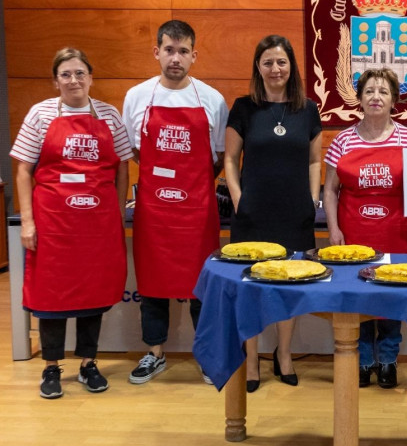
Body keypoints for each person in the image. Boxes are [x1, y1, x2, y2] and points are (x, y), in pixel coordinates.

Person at [11, 47, 132, 398]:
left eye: (80, 73)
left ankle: (88, 363)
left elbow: (122, 166)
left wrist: (118, 207)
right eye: (66, 74)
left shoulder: (109, 115)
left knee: (92, 293)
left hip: (96, 224)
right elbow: (23, 170)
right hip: (53, 223)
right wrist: (29, 222)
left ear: (91, 77)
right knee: (51, 295)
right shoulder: (40, 114)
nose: (74, 80)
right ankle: (51, 367)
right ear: (56, 80)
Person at [122, 20, 228, 384]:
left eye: (183, 51)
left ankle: (205, 352)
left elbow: (218, 157)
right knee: (151, 283)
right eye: (169, 50)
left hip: (198, 211)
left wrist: (187, 183)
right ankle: (154, 354)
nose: (176, 58)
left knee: (203, 284)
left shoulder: (212, 100)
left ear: (194, 56)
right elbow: (135, 151)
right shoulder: (137, 97)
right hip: (154, 212)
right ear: (156, 52)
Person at [224, 34, 323, 392]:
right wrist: (237, 197)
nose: (275, 69)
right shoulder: (243, 107)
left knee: (289, 285)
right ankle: (251, 360)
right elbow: (231, 159)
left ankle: (284, 355)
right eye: (268, 62)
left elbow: (315, 161)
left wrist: (312, 200)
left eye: (281, 62)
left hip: (295, 212)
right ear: (258, 67)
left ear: (291, 67)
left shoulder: (307, 109)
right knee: (251, 287)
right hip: (253, 211)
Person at [323, 68, 407, 389]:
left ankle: (389, 360)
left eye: (382, 91)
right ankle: (363, 361)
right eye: (369, 91)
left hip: (397, 234)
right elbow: (329, 190)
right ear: (360, 99)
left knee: (391, 301)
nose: (376, 97)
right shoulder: (343, 139)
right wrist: (334, 230)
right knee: (359, 301)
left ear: (394, 99)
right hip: (354, 236)